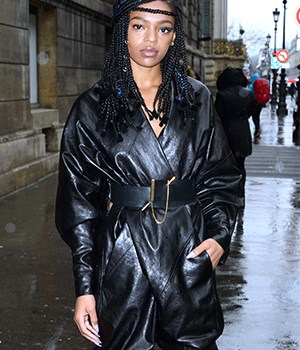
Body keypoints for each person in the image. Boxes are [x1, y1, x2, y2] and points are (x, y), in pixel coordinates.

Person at [55, 1, 242, 349]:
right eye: (139, 26)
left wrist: (218, 237)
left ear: (174, 38)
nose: (151, 38)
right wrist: (84, 289)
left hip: (187, 246)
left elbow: (220, 177)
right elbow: (79, 205)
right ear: (122, 33)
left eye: (164, 28)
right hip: (124, 255)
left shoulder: (197, 99)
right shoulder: (93, 106)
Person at [215, 67, 254, 202]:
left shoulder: (222, 94)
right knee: (241, 164)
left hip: (227, 131)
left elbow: (217, 116)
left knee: (226, 165)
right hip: (243, 131)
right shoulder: (248, 94)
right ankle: (240, 191)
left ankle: (229, 191)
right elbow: (251, 112)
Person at [248, 73, 270, 138]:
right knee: (257, 116)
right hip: (260, 103)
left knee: (253, 117)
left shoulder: (252, 85)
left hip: (254, 103)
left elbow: (249, 94)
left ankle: (257, 129)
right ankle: (257, 129)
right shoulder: (262, 84)